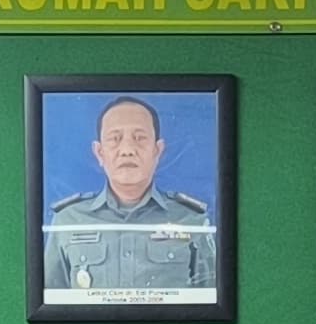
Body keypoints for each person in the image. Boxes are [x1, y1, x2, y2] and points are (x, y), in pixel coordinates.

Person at [43, 97, 216, 302]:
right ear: (99, 153)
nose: (127, 150)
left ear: (157, 151)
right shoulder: (69, 221)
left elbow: (212, 303)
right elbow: (50, 306)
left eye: (140, 138)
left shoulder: (191, 221)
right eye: (115, 138)